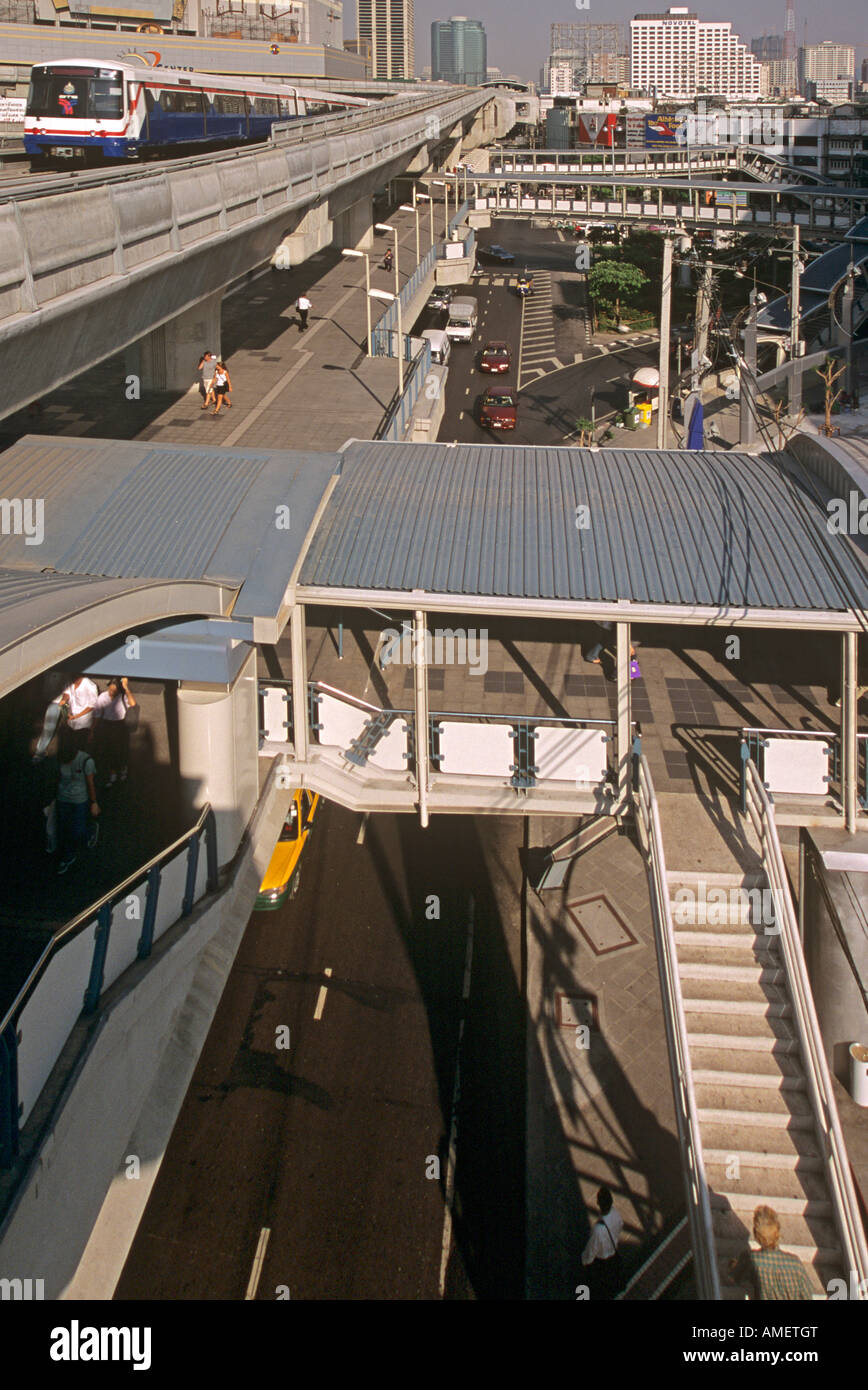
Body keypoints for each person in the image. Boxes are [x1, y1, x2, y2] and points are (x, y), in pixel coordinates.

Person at [728, 1205, 814, 1300]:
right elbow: (807, 1295)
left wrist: (733, 1264)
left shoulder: (752, 1260)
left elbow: (734, 1277)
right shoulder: (795, 1264)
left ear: (757, 1235)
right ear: (778, 1232)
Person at [55, 729, 100, 874]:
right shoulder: (60, 757)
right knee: (65, 829)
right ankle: (69, 855)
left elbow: (90, 783)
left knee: (77, 830)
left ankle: (89, 831)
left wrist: (93, 802)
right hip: (63, 798)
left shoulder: (86, 760)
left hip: (80, 800)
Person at [581, 1186, 624, 1299]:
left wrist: (585, 1261)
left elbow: (591, 1250)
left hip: (602, 1260)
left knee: (600, 1285)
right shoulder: (615, 1214)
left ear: (598, 1204)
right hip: (613, 1254)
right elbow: (620, 1226)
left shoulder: (598, 1229)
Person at [95, 676, 137, 785]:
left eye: (114, 690)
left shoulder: (123, 696)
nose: (111, 692)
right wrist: (93, 730)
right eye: (110, 689)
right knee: (108, 751)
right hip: (107, 724)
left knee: (120, 750)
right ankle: (112, 773)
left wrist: (126, 688)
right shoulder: (103, 696)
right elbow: (97, 714)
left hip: (119, 726)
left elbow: (133, 704)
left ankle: (123, 769)